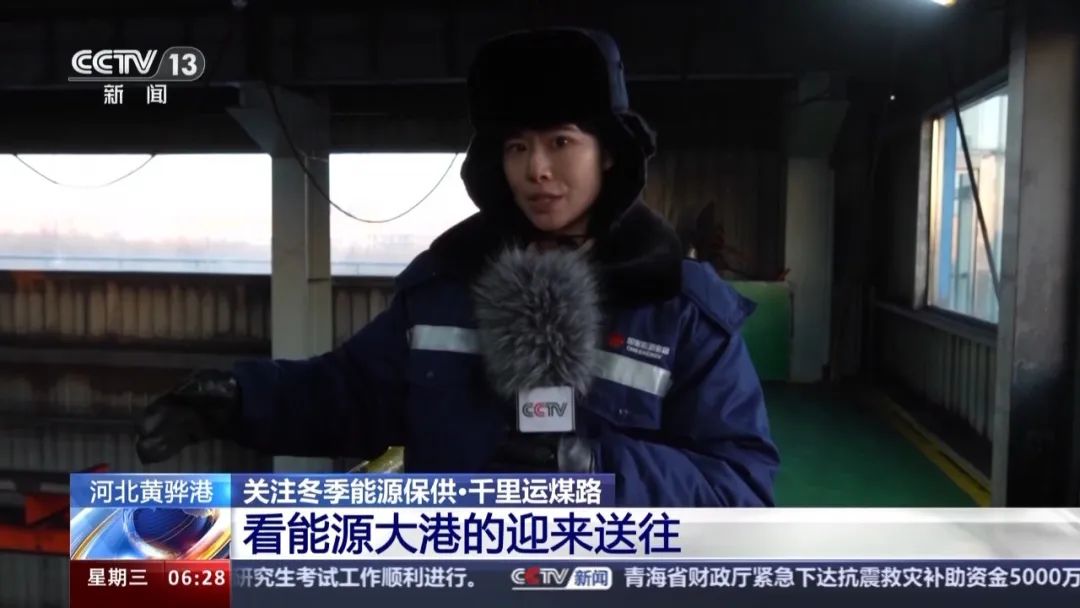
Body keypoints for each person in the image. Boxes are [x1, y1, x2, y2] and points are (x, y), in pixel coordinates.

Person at [136, 28, 780, 507]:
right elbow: (349, 393)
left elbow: (740, 488)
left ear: (607, 152)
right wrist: (238, 400)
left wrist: (597, 468)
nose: (537, 170)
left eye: (561, 142)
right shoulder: (445, 286)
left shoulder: (678, 307)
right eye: (517, 147)